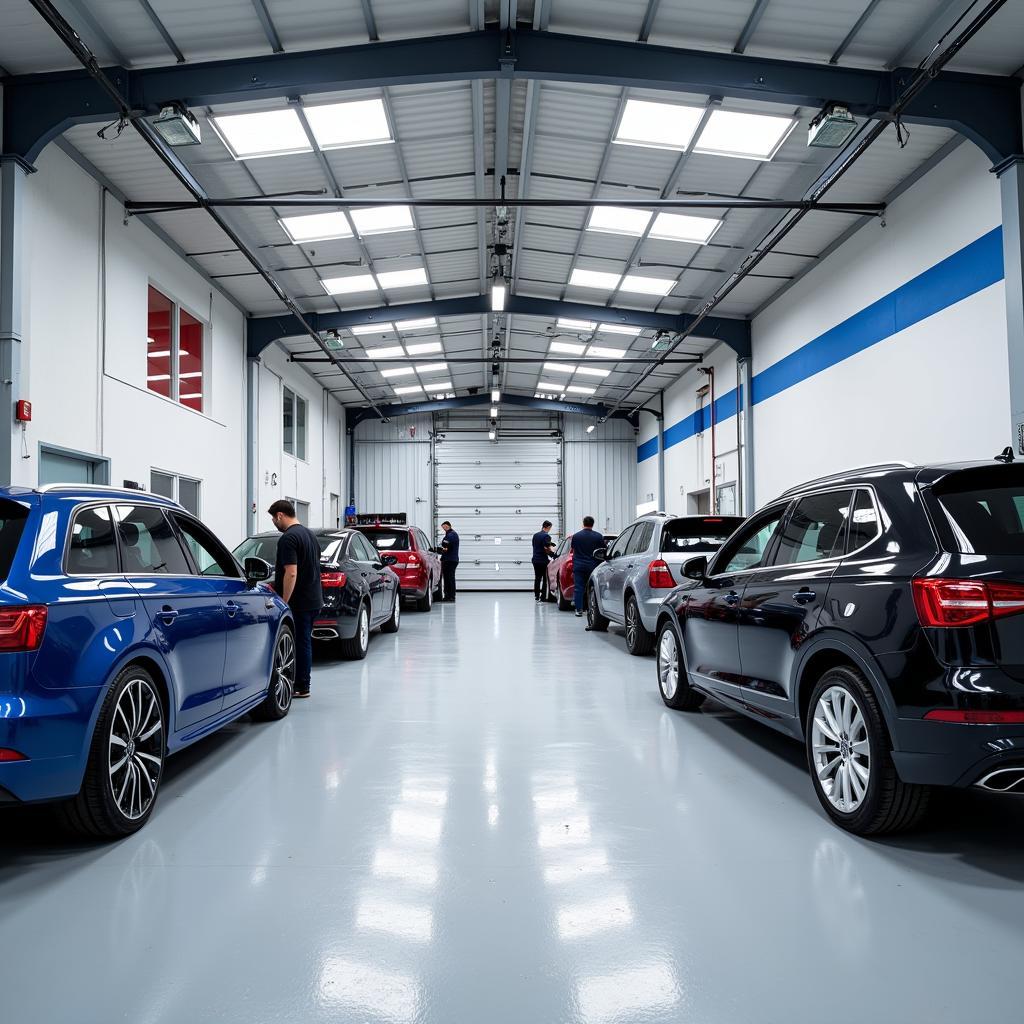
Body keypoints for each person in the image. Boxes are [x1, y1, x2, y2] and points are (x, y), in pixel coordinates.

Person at [268, 499, 324, 699]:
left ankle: (301, 686)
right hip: (314, 598)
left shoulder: (288, 538)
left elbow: (291, 573)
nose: (274, 523)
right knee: (303, 642)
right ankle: (301, 683)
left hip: (299, 602)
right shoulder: (310, 535)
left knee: (300, 643)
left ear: (280, 515)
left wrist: (283, 601)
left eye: (274, 519)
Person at [570, 515, 605, 619]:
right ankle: (591, 608)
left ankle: (578, 610)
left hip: (579, 566)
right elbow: (603, 550)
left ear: (583, 523)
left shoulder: (576, 536)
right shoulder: (598, 536)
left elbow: (573, 549)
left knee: (578, 588)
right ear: (592, 524)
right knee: (592, 588)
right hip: (593, 566)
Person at [531, 520, 556, 602]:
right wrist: (553, 555)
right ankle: (543, 597)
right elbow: (546, 548)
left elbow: (538, 545)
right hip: (543, 561)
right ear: (548, 527)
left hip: (535, 560)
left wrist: (550, 543)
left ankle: (536, 596)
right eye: (550, 528)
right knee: (545, 579)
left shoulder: (535, 535)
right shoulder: (546, 536)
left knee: (537, 578)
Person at [439, 520, 460, 602]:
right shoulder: (449, 534)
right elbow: (446, 545)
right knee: (447, 578)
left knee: (450, 578)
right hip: (449, 559)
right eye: (443, 527)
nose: (444, 528)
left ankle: (451, 596)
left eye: (445, 527)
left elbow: (445, 544)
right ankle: (448, 596)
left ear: (448, 526)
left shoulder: (452, 534)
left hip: (450, 560)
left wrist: (443, 546)